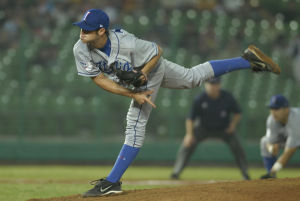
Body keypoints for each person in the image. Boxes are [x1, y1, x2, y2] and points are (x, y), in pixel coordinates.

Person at [72, 9, 280, 197]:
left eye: (87, 30)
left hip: (149, 67)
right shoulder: (80, 48)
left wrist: (144, 74)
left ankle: (112, 181)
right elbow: (99, 79)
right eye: (82, 28)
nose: (82, 33)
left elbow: (157, 51)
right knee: (192, 78)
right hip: (137, 79)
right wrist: (132, 94)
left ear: (101, 31)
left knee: (135, 123)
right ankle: (247, 60)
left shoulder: (127, 43)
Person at [170, 77, 250, 180]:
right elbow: (190, 119)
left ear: (219, 85)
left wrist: (233, 125)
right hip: (204, 128)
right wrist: (189, 134)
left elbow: (238, 112)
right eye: (210, 84)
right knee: (187, 144)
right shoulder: (200, 98)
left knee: (238, 147)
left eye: (215, 84)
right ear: (206, 85)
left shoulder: (227, 97)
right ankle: (176, 172)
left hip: (224, 128)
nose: (212, 86)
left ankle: (245, 173)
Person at [260, 95, 300, 179]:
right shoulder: (272, 120)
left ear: (287, 109)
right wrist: (271, 148)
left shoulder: (296, 119)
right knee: (264, 141)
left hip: (296, 135)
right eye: (272, 109)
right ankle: (272, 177)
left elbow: (289, 152)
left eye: (277, 109)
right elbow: (269, 142)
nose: (273, 112)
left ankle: (271, 174)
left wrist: (274, 170)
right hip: (291, 138)